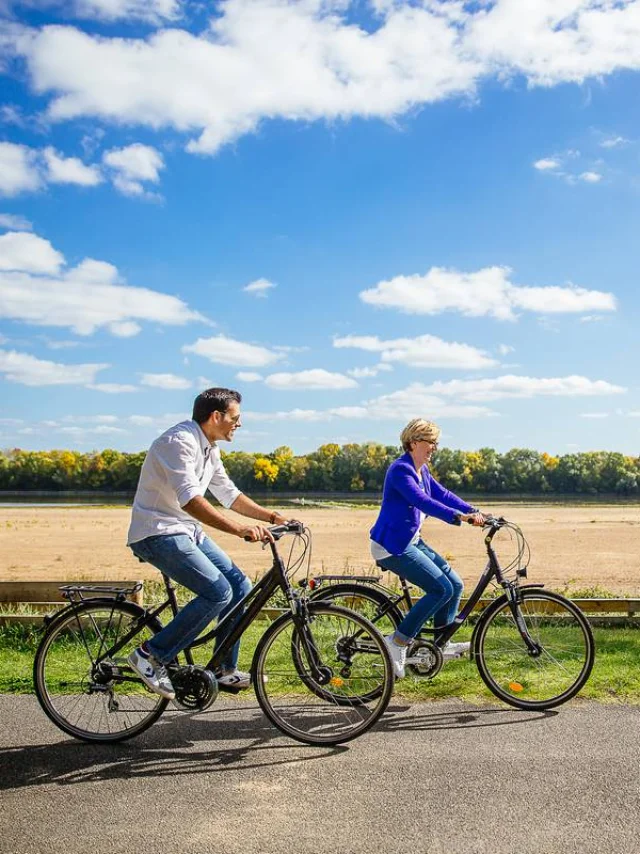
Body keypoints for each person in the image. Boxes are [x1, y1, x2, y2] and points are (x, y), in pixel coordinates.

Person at [126, 387, 289, 699]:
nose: (238, 424)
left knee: (239, 586)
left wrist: (272, 517)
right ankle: (150, 655)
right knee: (217, 592)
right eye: (235, 418)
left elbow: (229, 494)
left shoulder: (210, 449)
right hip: (157, 531)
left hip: (186, 530)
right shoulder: (179, 442)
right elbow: (191, 500)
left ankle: (222, 669)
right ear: (216, 416)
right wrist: (240, 529)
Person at [369, 418, 486, 678]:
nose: (434, 447)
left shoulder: (421, 471)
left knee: (454, 585)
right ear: (414, 443)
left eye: (436, 442)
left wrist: (474, 511)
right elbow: (422, 501)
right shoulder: (400, 470)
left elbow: (441, 494)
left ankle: (439, 644)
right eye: (431, 442)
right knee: (439, 588)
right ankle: (397, 642)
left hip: (411, 541)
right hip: (392, 546)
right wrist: (459, 517)